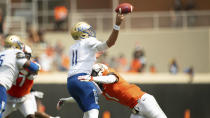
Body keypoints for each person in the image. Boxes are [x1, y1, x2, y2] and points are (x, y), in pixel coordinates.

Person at [67, 13, 124, 118]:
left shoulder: (73, 47)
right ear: (83, 33)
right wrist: (117, 25)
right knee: (94, 110)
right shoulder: (89, 41)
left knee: (87, 113)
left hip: (70, 82)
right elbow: (110, 43)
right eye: (88, 30)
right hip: (83, 79)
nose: (91, 32)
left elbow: (86, 57)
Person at [59, 63, 167, 118]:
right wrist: (66, 100)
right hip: (136, 110)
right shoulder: (101, 87)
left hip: (144, 101)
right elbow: (86, 96)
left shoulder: (110, 74)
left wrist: (92, 78)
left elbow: (111, 79)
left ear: (99, 72)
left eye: (94, 75)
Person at [3, 45, 58, 118]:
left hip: (24, 97)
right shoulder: (12, 65)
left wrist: (21, 68)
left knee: (31, 115)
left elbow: (32, 73)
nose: (23, 58)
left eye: (25, 56)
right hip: (9, 96)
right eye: (22, 56)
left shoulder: (34, 66)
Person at [0, 35, 40, 118]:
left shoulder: (2, 53)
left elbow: (32, 75)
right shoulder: (16, 53)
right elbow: (34, 68)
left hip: (22, 96)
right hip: (3, 87)